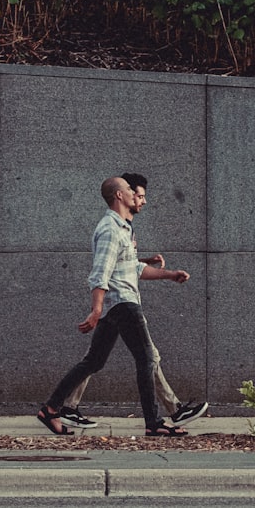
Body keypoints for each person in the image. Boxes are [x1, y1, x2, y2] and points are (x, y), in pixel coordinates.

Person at [37, 176, 193, 437]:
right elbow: (101, 272)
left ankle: (50, 409)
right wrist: (96, 309)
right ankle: (153, 423)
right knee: (146, 359)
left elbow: (131, 268)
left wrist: (169, 273)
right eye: (130, 190)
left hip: (116, 304)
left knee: (94, 361)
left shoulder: (123, 228)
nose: (135, 194)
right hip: (122, 302)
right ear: (119, 195)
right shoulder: (110, 229)